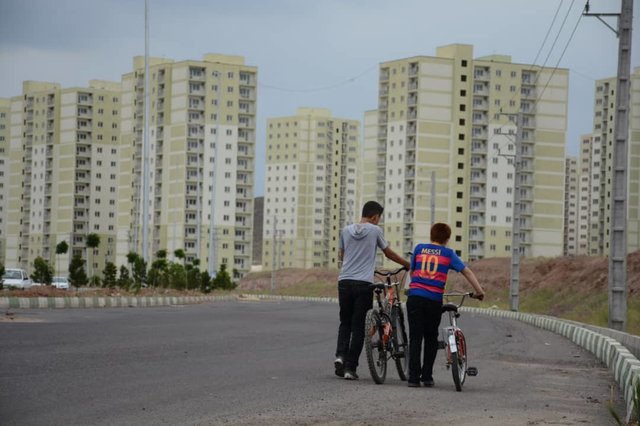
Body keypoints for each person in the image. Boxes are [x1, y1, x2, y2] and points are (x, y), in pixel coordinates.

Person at [334, 201, 410, 380]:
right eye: (379, 218)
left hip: (344, 281)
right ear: (375, 216)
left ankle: (340, 356)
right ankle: (350, 368)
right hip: (362, 284)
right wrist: (407, 264)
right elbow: (388, 253)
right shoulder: (375, 231)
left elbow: (342, 255)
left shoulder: (345, 230)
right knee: (359, 326)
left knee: (345, 322)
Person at [406, 222, 485, 388]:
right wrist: (479, 291)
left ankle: (413, 378)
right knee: (430, 337)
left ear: (431, 236)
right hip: (433, 300)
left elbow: (412, 272)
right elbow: (467, 271)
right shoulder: (448, 254)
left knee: (415, 337)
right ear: (447, 238)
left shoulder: (419, 249)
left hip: (415, 297)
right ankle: (426, 376)